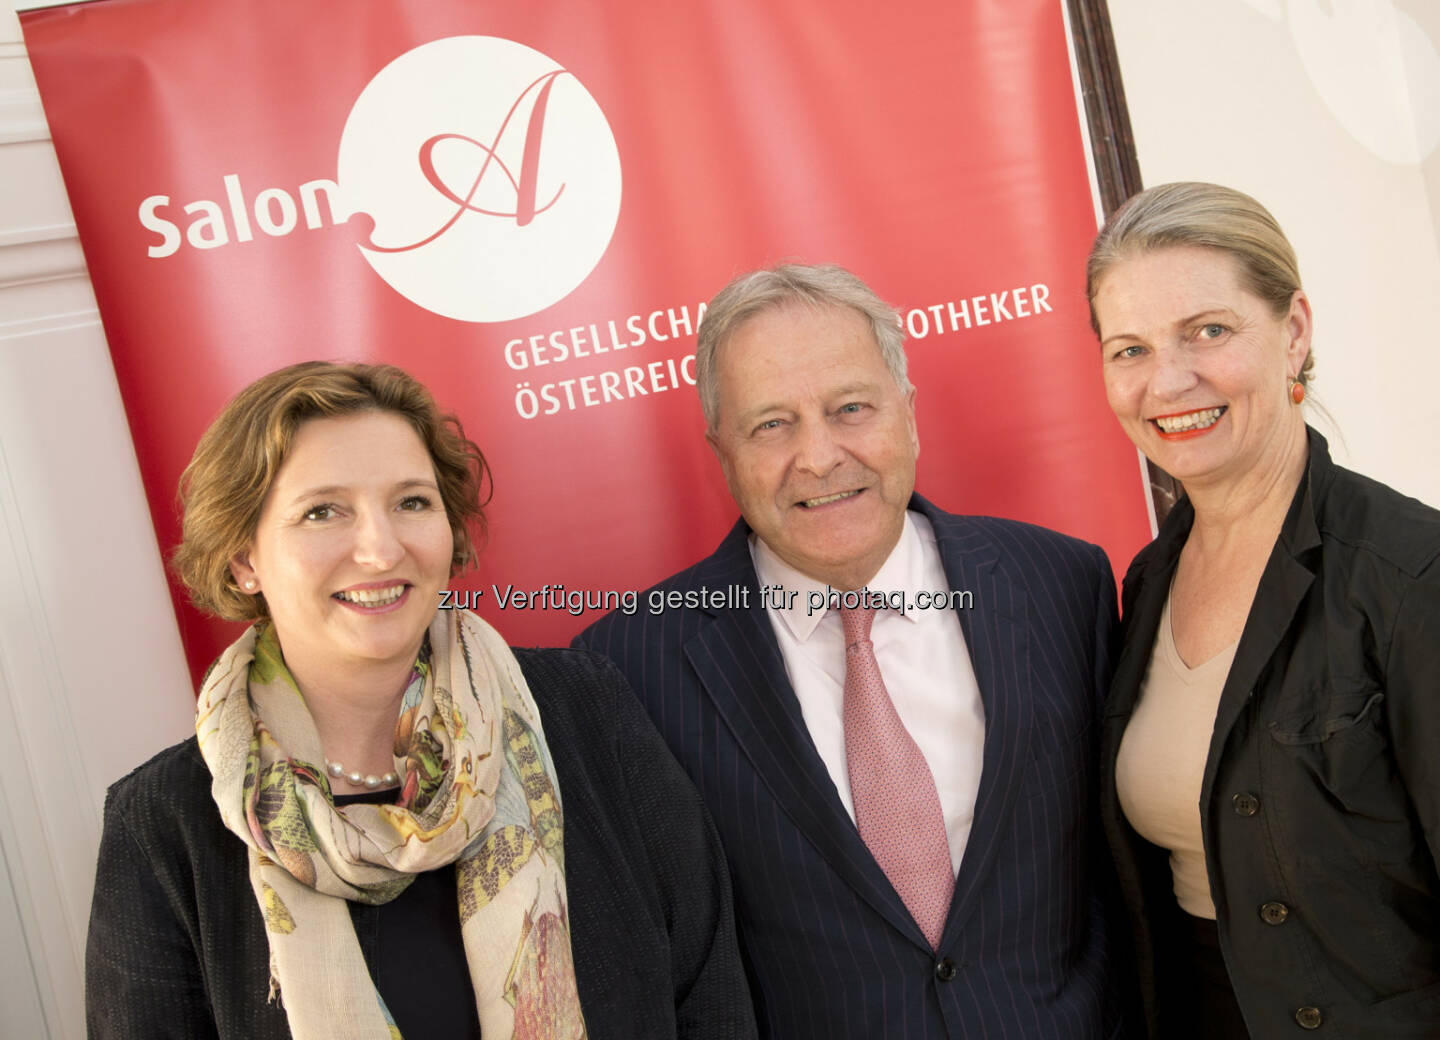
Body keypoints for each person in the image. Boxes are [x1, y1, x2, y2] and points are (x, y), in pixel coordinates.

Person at [85, 361, 757, 1040]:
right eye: (323, 511)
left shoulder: (587, 710)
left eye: (411, 502)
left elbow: (712, 994)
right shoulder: (163, 825)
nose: (380, 550)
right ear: (243, 560)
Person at [575, 263, 1129, 1039]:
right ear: (721, 451)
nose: (819, 456)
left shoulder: (1063, 585)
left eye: (851, 408)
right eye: (771, 424)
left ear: (908, 413)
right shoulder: (627, 668)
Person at [1087, 182, 1440, 1038]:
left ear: (1293, 331)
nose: (1169, 380)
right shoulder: (1145, 584)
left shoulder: (1408, 574)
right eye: (1129, 349)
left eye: (1208, 331)